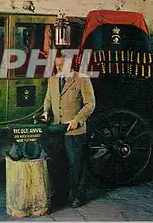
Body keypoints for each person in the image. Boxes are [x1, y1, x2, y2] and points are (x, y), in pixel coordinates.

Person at [42, 52, 96, 208]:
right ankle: (60, 195)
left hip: (75, 131)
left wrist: (77, 120)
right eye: (57, 65)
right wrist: (46, 112)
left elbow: (90, 104)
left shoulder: (82, 79)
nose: (59, 68)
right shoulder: (52, 79)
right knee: (58, 165)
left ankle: (78, 196)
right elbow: (48, 100)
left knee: (77, 165)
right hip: (56, 130)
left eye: (62, 65)